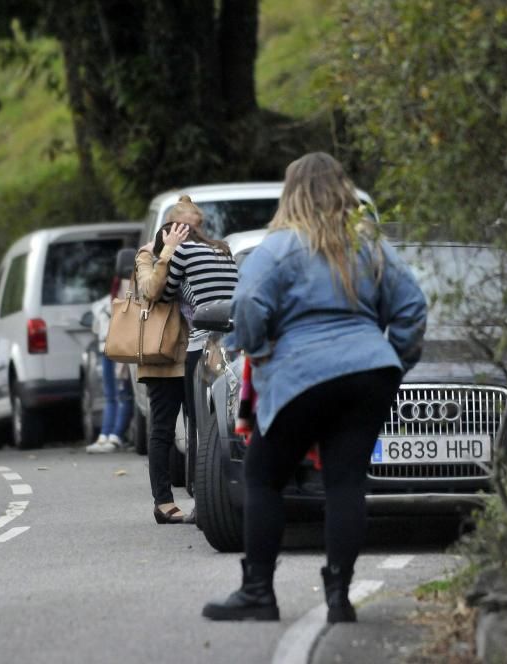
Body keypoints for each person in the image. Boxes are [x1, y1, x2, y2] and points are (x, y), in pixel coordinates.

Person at [202, 152, 428, 622]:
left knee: (264, 476)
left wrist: (257, 348)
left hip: (300, 376)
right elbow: (411, 306)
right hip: (369, 373)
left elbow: (246, 303)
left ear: (292, 193)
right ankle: (339, 598)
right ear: (343, 191)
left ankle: (258, 593)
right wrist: (394, 361)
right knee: (346, 482)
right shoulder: (370, 246)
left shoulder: (279, 247)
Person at [157, 196, 239, 470]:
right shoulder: (223, 250)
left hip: (201, 344)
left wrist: (165, 256)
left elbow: (164, 293)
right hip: (231, 343)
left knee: (196, 421)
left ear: (173, 230)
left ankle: (199, 486)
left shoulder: (183, 252)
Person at [134, 220, 191, 523]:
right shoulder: (146, 260)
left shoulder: (192, 260)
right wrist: (164, 253)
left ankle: (202, 496)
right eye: (176, 238)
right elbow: (152, 290)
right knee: (163, 431)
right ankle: (163, 502)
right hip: (162, 360)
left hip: (192, 356)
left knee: (198, 432)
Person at [85, 276, 134, 453]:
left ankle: (108, 435)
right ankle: (113, 435)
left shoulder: (100, 306)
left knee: (112, 395)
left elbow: (96, 329)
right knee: (123, 394)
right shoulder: (131, 298)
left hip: (106, 349)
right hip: (122, 349)